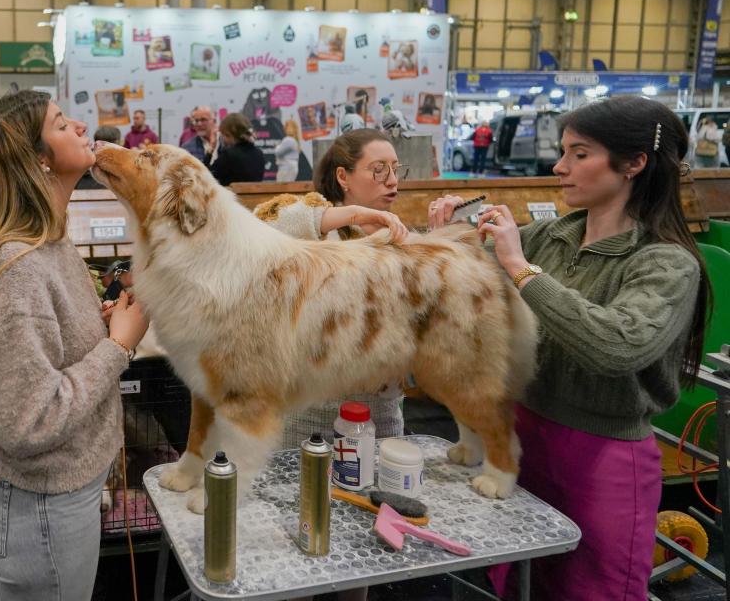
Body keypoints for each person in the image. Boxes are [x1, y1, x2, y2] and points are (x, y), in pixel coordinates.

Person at [428, 96, 709, 601]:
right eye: (564, 152)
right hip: (524, 433)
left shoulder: (667, 264)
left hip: (603, 459)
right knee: (517, 579)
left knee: (589, 588)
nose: (560, 167)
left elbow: (617, 345)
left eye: (580, 154)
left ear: (633, 163)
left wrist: (520, 269)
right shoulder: (551, 237)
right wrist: (448, 239)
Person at [0, 90, 150, 600]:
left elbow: (46, 351)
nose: (81, 126)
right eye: (62, 124)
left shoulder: (47, 242)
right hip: (42, 509)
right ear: (37, 158)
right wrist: (117, 347)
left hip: (56, 501)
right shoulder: (17, 268)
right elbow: (28, 421)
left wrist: (97, 327)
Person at [253, 129, 409, 601]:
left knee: (360, 549)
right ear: (343, 176)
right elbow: (270, 232)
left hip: (378, 420)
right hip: (308, 423)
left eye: (396, 170)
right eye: (377, 170)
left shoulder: (397, 238)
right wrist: (355, 215)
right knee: (300, 542)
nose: (391, 181)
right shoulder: (306, 222)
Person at [210, 113, 265, 186]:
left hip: (233, 197)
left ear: (228, 134)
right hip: (256, 197)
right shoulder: (259, 153)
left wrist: (210, 150)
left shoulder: (229, 155)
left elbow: (206, 175)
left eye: (222, 134)